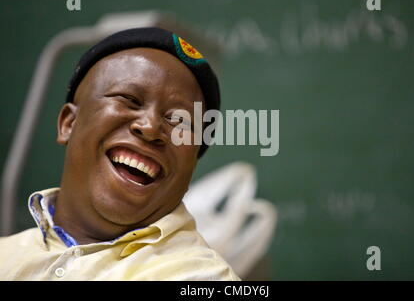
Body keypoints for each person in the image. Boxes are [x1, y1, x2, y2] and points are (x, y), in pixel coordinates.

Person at [0, 27, 240, 281]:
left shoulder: (200, 277)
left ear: (192, 164)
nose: (150, 128)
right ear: (68, 123)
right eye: (129, 100)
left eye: (179, 121)